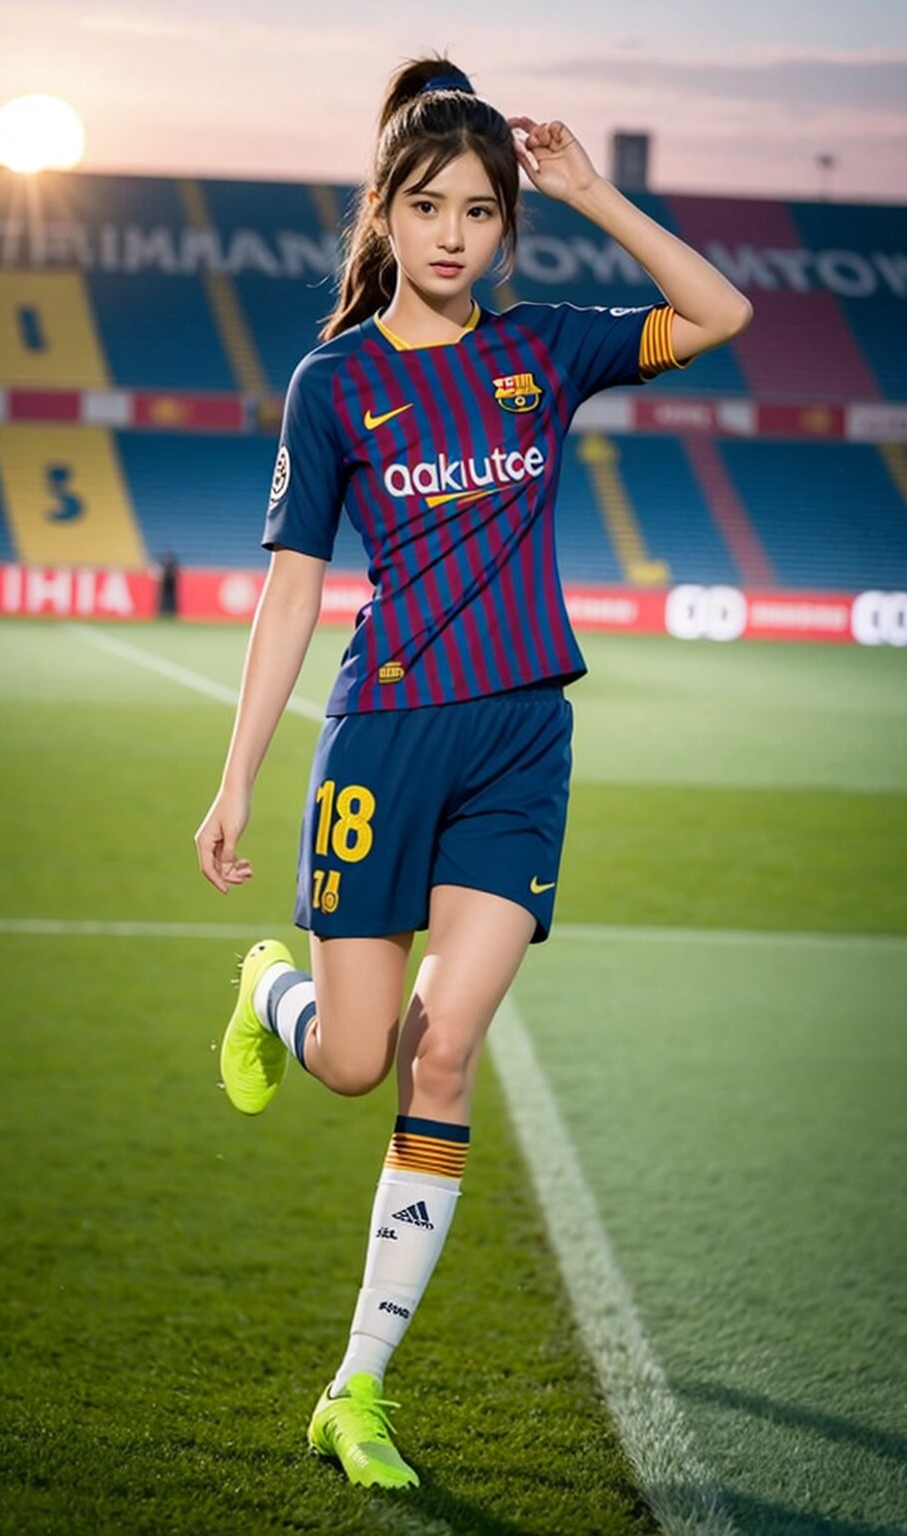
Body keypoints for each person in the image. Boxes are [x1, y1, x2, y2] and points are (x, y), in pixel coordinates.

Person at [194, 55, 751, 1492]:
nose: (455, 234)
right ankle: (272, 987)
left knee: (443, 1054)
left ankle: (357, 1391)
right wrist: (238, 777)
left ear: (508, 225)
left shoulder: (543, 352)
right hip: (384, 741)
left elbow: (721, 313)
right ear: (382, 214)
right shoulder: (334, 385)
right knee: (355, 1059)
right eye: (429, 206)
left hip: (518, 745)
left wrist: (594, 192)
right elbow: (292, 593)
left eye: (483, 210)